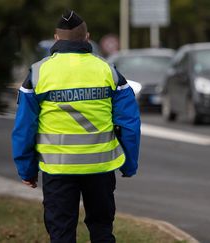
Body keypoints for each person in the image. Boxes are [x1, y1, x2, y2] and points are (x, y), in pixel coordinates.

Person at [12, 10, 140, 243]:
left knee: (61, 233)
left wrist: (27, 170)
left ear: (56, 38)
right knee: (102, 230)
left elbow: (24, 128)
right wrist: (129, 163)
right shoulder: (108, 71)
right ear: (87, 37)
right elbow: (129, 123)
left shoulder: (38, 73)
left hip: (58, 169)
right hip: (100, 168)